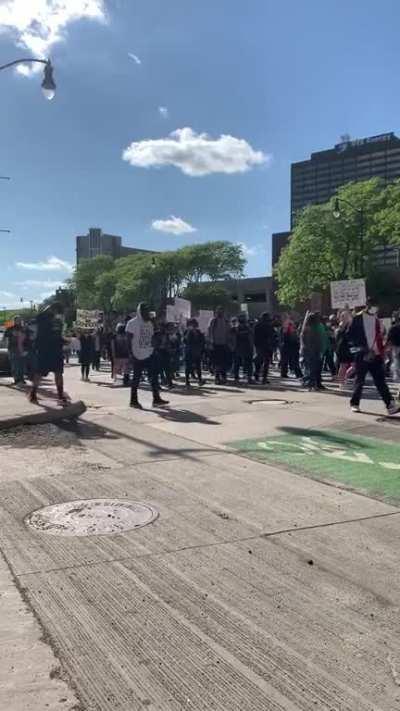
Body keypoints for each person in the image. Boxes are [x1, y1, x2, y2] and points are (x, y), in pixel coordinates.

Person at [347, 299, 399, 415]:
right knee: (360, 380)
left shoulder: (376, 319)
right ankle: (355, 403)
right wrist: (362, 347)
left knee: (380, 381)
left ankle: (390, 404)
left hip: (376, 355)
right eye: (373, 306)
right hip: (363, 353)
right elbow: (350, 336)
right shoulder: (357, 318)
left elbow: (381, 335)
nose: (375, 309)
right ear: (367, 305)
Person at [125, 303, 168, 409]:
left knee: (154, 377)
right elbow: (128, 340)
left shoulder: (150, 323)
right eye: (145, 311)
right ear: (140, 311)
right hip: (137, 354)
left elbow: (156, 335)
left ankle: (156, 399)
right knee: (136, 379)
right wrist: (130, 354)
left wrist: (154, 322)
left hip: (149, 353)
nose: (147, 313)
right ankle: (133, 401)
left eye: (148, 311)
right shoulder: (132, 323)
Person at [29, 303, 68, 405]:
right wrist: (49, 308)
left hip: (56, 351)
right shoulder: (42, 319)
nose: (56, 313)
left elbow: (58, 336)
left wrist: (65, 341)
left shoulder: (59, 322)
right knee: (39, 373)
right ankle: (33, 394)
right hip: (44, 351)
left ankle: (60, 396)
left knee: (59, 373)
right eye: (55, 310)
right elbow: (38, 318)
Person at [300, 312, 324, 391]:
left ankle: (310, 384)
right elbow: (317, 341)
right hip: (313, 351)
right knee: (313, 369)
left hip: (307, 351)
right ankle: (311, 384)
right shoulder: (313, 329)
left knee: (309, 368)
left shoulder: (305, 328)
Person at [208, 306, 231, 385]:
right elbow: (210, 332)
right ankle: (217, 378)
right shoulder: (213, 321)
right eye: (219, 311)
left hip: (224, 344)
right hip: (216, 344)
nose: (220, 313)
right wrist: (211, 343)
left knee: (224, 362)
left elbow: (229, 332)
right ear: (216, 312)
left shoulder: (226, 321)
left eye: (222, 311)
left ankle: (224, 377)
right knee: (217, 362)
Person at [232, 313, 254, 385]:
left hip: (245, 348)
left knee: (245, 363)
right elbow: (235, 336)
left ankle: (248, 378)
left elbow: (251, 337)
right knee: (238, 364)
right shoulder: (237, 328)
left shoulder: (246, 328)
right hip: (240, 348)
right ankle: (238, 378)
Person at [254, 312, 275, 384]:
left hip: (260, 345)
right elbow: (272, 335)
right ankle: (264, 378)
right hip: (266, 345)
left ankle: (257, 374)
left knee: (260, 361)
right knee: (266, 362)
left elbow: (254, 336)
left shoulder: (257, 325)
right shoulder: (268, 325)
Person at [5, 316, 27, 385]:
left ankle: (21, 379)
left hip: (22, 348)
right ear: (14, 321)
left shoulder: (24, 328)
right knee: (14, 365)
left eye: (20, 320)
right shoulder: (10, 328)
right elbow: (6, 337)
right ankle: (16, 379)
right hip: (12, 348)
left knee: (22, 365)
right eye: (17, 320)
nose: (18, 321)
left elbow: (27, 338)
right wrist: (12, 334)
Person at [184, 319, 205, 387]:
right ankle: (187, 381)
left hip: (197, 352)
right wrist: (189, 333)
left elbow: (202, 341)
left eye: (195, 324)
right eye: (192, 324)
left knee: (198, 366)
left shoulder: (199, 332)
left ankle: (200, 380)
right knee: (188, 367)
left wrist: (201, 349)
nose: (194, 326)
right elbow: (185, 341)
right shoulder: (187, 332)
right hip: (189, 352)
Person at [386, 311, 400, 399]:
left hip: (395, 349)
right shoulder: (394, 328)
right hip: (396, 349)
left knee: (397, 370)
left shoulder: (393, 328)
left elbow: (389, 340)